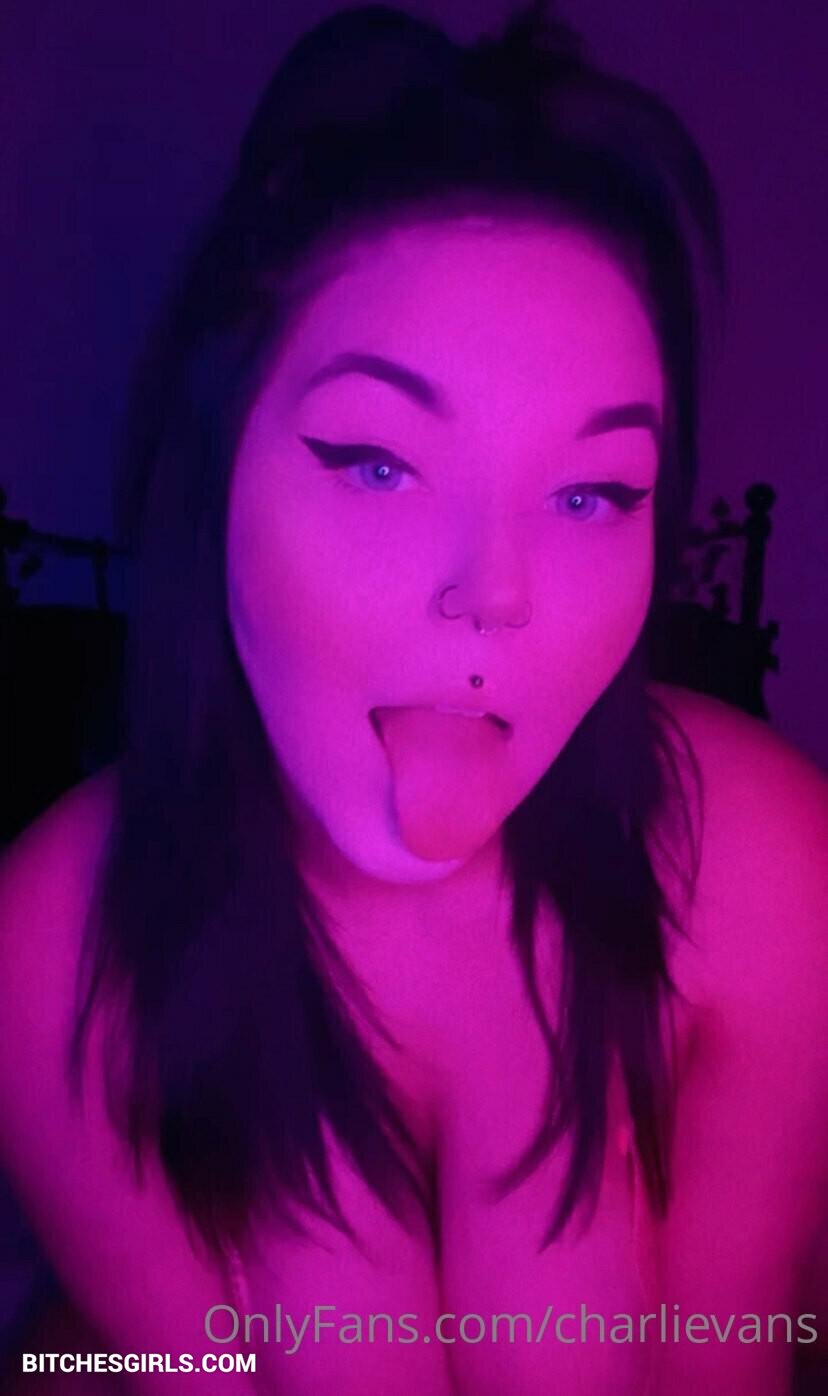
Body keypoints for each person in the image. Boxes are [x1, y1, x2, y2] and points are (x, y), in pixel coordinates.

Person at [0, 3, 826, 1393]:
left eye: (592, 493)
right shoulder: (58, 949)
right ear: (219, 467)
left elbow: (732, 1362)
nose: (495, 594)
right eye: (376, 463)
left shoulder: (762, 865)